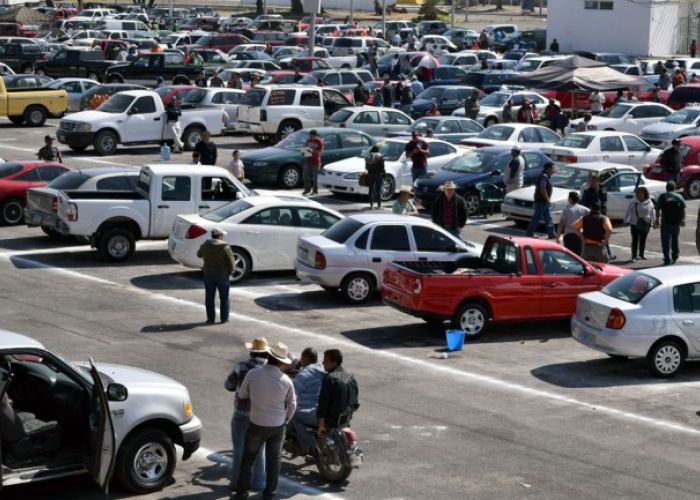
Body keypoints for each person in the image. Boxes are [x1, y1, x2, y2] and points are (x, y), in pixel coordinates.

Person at [234, 343, 296, 500]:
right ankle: (269, 494)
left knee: (248, 458)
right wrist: (285, 419)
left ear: (268, 357)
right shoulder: (286, 380)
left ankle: (242, 492)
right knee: (274, 461)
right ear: (282, 362)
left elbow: (242, 395)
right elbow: (292, 404)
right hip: (277, 426)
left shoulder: (253, 374)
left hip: (256, 423)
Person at [225, 337, 268, 492]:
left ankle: (236, 483)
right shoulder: (269, 370)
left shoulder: (241, 366)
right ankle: (258, 484)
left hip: (241, 414)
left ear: (252, 351)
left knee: (239, 450)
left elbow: (228, 384)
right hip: (261, 417)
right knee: (260, 450)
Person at [286, 348, 325, 456]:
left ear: (305, 359)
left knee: (293, 416)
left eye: (302, 358)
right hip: (322, 410)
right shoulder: (322, 369)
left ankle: (309, 447)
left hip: (312, 412)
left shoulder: (304, 374)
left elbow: (291, 393)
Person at [316, 349, 359, 440]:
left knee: (299, 418)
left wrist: (321, 425)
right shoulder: (350, 376)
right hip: (346, 419)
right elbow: (356, 402)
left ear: (334, 363)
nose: (323, 363)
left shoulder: (329, 379)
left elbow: (323, 404)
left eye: (326, 361)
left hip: (332, 421)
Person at [197, 228, 234, 323]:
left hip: (209, 274)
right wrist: (231, 271)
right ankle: (224, 318)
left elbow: (199, 255)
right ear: (220, 236)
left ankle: (210, 319)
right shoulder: (225, 247)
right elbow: (231, 262)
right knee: (224, 298)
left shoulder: (205, 245)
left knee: (209, 298)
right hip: (222, 275)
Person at [655, 181, 686, 265]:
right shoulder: (679, 196)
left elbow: (657, 208)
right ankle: (675, 256)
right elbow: (683, 208)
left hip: (665, 222)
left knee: (665, 241)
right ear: (674, 188)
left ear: (666, 188)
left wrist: (657, 220)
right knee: (675, 240)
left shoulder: (662, 196)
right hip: (676, 222)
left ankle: (667, 258)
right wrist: (683, 219)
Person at [624, 186, 655, 261]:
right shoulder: (633, 202)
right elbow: (628, 212)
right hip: (634, 223)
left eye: (641, 193)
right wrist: (626, 221)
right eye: (638, 193)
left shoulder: (649, 202)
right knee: (635, 240)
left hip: (646, 223)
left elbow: (652, 212)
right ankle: (634, 256)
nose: (639, 194)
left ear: (645, 194)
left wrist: (654, 221)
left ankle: (641, 254)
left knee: (643, 240)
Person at [526, 162, 556, 239]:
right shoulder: (544, 177)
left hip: (544, 202)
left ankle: (551, 233)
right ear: (549, 168)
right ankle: (529, 233)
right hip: (541, 202)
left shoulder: (545, 176)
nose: (553, 170)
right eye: (552, 168)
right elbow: (542, 189)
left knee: (548, 218)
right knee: (536, 218)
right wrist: (548, 200)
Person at [303, 129, 324, 195]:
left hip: (316, 161)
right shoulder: (308, 140)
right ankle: (307, 189)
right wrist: (304, 151)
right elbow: (305, 149)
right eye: (310, 135)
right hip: (308, 160)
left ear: (315, 136)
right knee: (305, 175)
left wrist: (311, 150)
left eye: (312, 136)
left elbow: (319, 152)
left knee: (315, 177)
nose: (310, 137)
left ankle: (315, 190)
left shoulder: (319, 141)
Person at [365, 144, 385, 210]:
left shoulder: (368, 156)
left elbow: (366, 167)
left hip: (370, 174)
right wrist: (384, 175)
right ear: (378, 150)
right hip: (378, 174)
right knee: (378, 190)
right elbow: (382, 167)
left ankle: (371, 205)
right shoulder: (380, 156)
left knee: (371, 190)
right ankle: (379, 205)